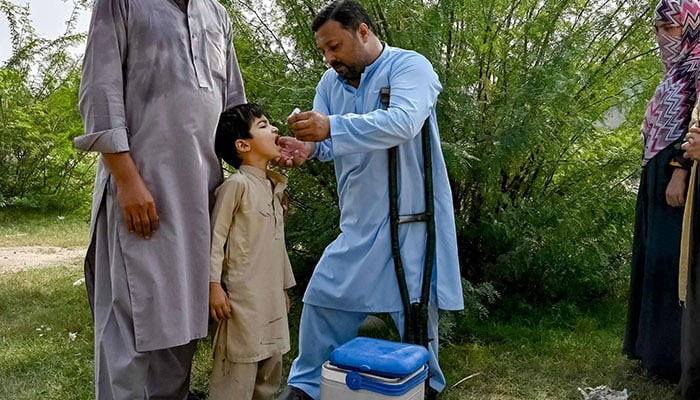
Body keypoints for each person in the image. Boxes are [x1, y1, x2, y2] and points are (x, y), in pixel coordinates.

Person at [275, 1, 464, 399]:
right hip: (358, 221)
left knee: (414, 313)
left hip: (410, 218)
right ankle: (307, 385)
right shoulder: (330, 85)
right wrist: (307, 148)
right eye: (323, 51)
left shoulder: (410, 67)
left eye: (335, 47)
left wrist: (330, 127)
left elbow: (403, 122)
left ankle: (422, 383)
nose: (329, 59)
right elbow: (327, 143)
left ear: (363, 32)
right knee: (325, 295)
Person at [73, 0, 246, 398]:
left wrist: (260, 176)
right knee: (132, 317)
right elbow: (100, 90)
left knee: (183, 316)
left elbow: (235, 109)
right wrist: (127, 180)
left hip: (202, 193)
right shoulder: (120, 3)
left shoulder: (216, 14)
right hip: (143, 189)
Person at [623, 0, 697, 382]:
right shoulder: (676, 70)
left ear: (690, 26)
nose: (662, 37)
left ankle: (670, 359)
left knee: (671, 262)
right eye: (658, 29)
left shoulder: (699, 67)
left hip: (677, 176)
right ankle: (647, 350)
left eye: (669, 29)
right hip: (655, 175)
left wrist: (678, 172)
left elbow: (695, 126)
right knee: (652, 255)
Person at [207, 104, 296, 400]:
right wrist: (213, 285)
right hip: (241, 303)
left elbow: (277, 244)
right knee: (237, 376)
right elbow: (215, 238)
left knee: (269, 373)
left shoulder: (273, 188)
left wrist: (284, 288)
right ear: (243, 145)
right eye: (264, 125)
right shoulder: (237, 186)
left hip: (270, 300)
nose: (274, 130)